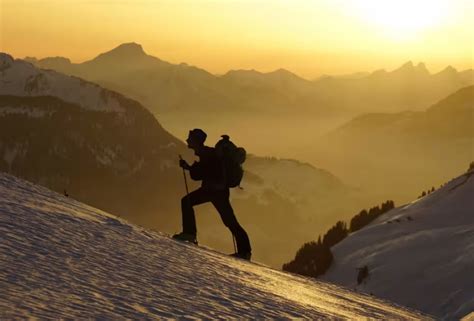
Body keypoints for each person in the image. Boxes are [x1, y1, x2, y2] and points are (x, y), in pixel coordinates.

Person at [172, 128, 252, 260]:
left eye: (190, 138)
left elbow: (200, 174)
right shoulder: (208, 153)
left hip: (213, 191)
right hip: (219, 191)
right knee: (230, 221)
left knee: (187, 201)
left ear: (196, 141)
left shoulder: (206, 153)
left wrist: (190, 168)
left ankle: (189, 233)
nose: (187, 140)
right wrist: (190, 167)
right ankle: (245, 251)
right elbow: (204, 171)